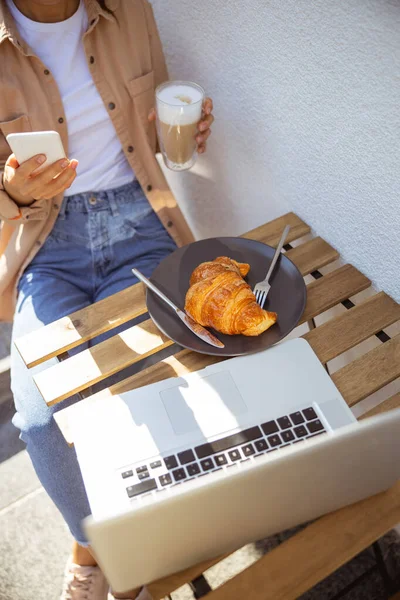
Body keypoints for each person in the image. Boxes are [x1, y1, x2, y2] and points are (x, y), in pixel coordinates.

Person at [0, 0, 214, 598]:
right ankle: (97, 542)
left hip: (142, 229)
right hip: (47, 241)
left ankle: (123, 564)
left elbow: (147, 124)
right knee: (42, 422)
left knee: (132, 393)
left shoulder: (127, 10)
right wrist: (10, 189)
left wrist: (180, 131)